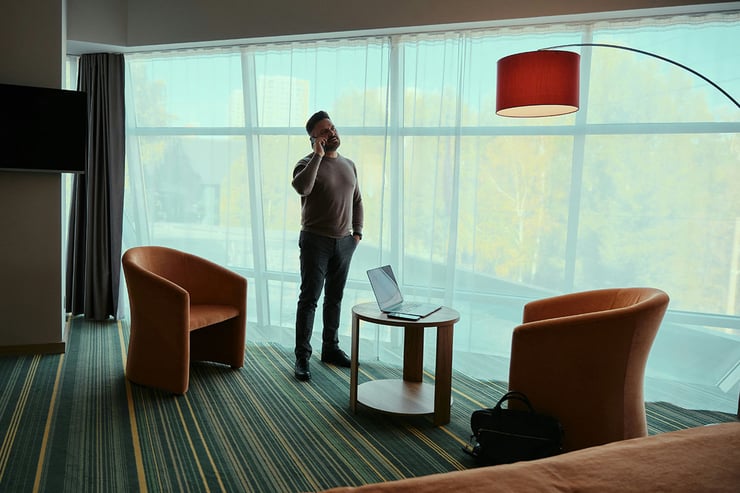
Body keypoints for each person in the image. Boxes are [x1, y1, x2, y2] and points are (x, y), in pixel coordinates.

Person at [291, 111, 364, 381]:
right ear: (314, 139)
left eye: (332, 127)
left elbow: (357, 200)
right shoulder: (305, 163)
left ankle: (330, 348)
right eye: (324, 131)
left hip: (344, 242)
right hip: (315, 241)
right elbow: (302, 188)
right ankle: (302, 357)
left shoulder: (349, 165)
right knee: (309, 299)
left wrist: (356, 235)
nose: (332, 133)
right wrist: (318, 155)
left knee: (335, 298)